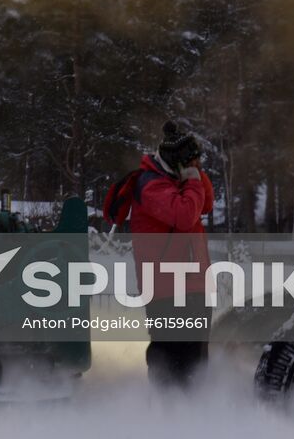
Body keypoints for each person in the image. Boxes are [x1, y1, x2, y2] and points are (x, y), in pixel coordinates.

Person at [128, 120, 214, 389]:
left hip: (193, 284)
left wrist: (194, 171)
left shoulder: (178, 180)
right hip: (166, 289)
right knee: (170, 360)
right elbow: (186, 216)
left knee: (196, 362)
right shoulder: (150, 185)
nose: (193, 168)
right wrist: (191, 178)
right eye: (189, 162)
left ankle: (195, 418)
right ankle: (166, 420)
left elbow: (207, 203)